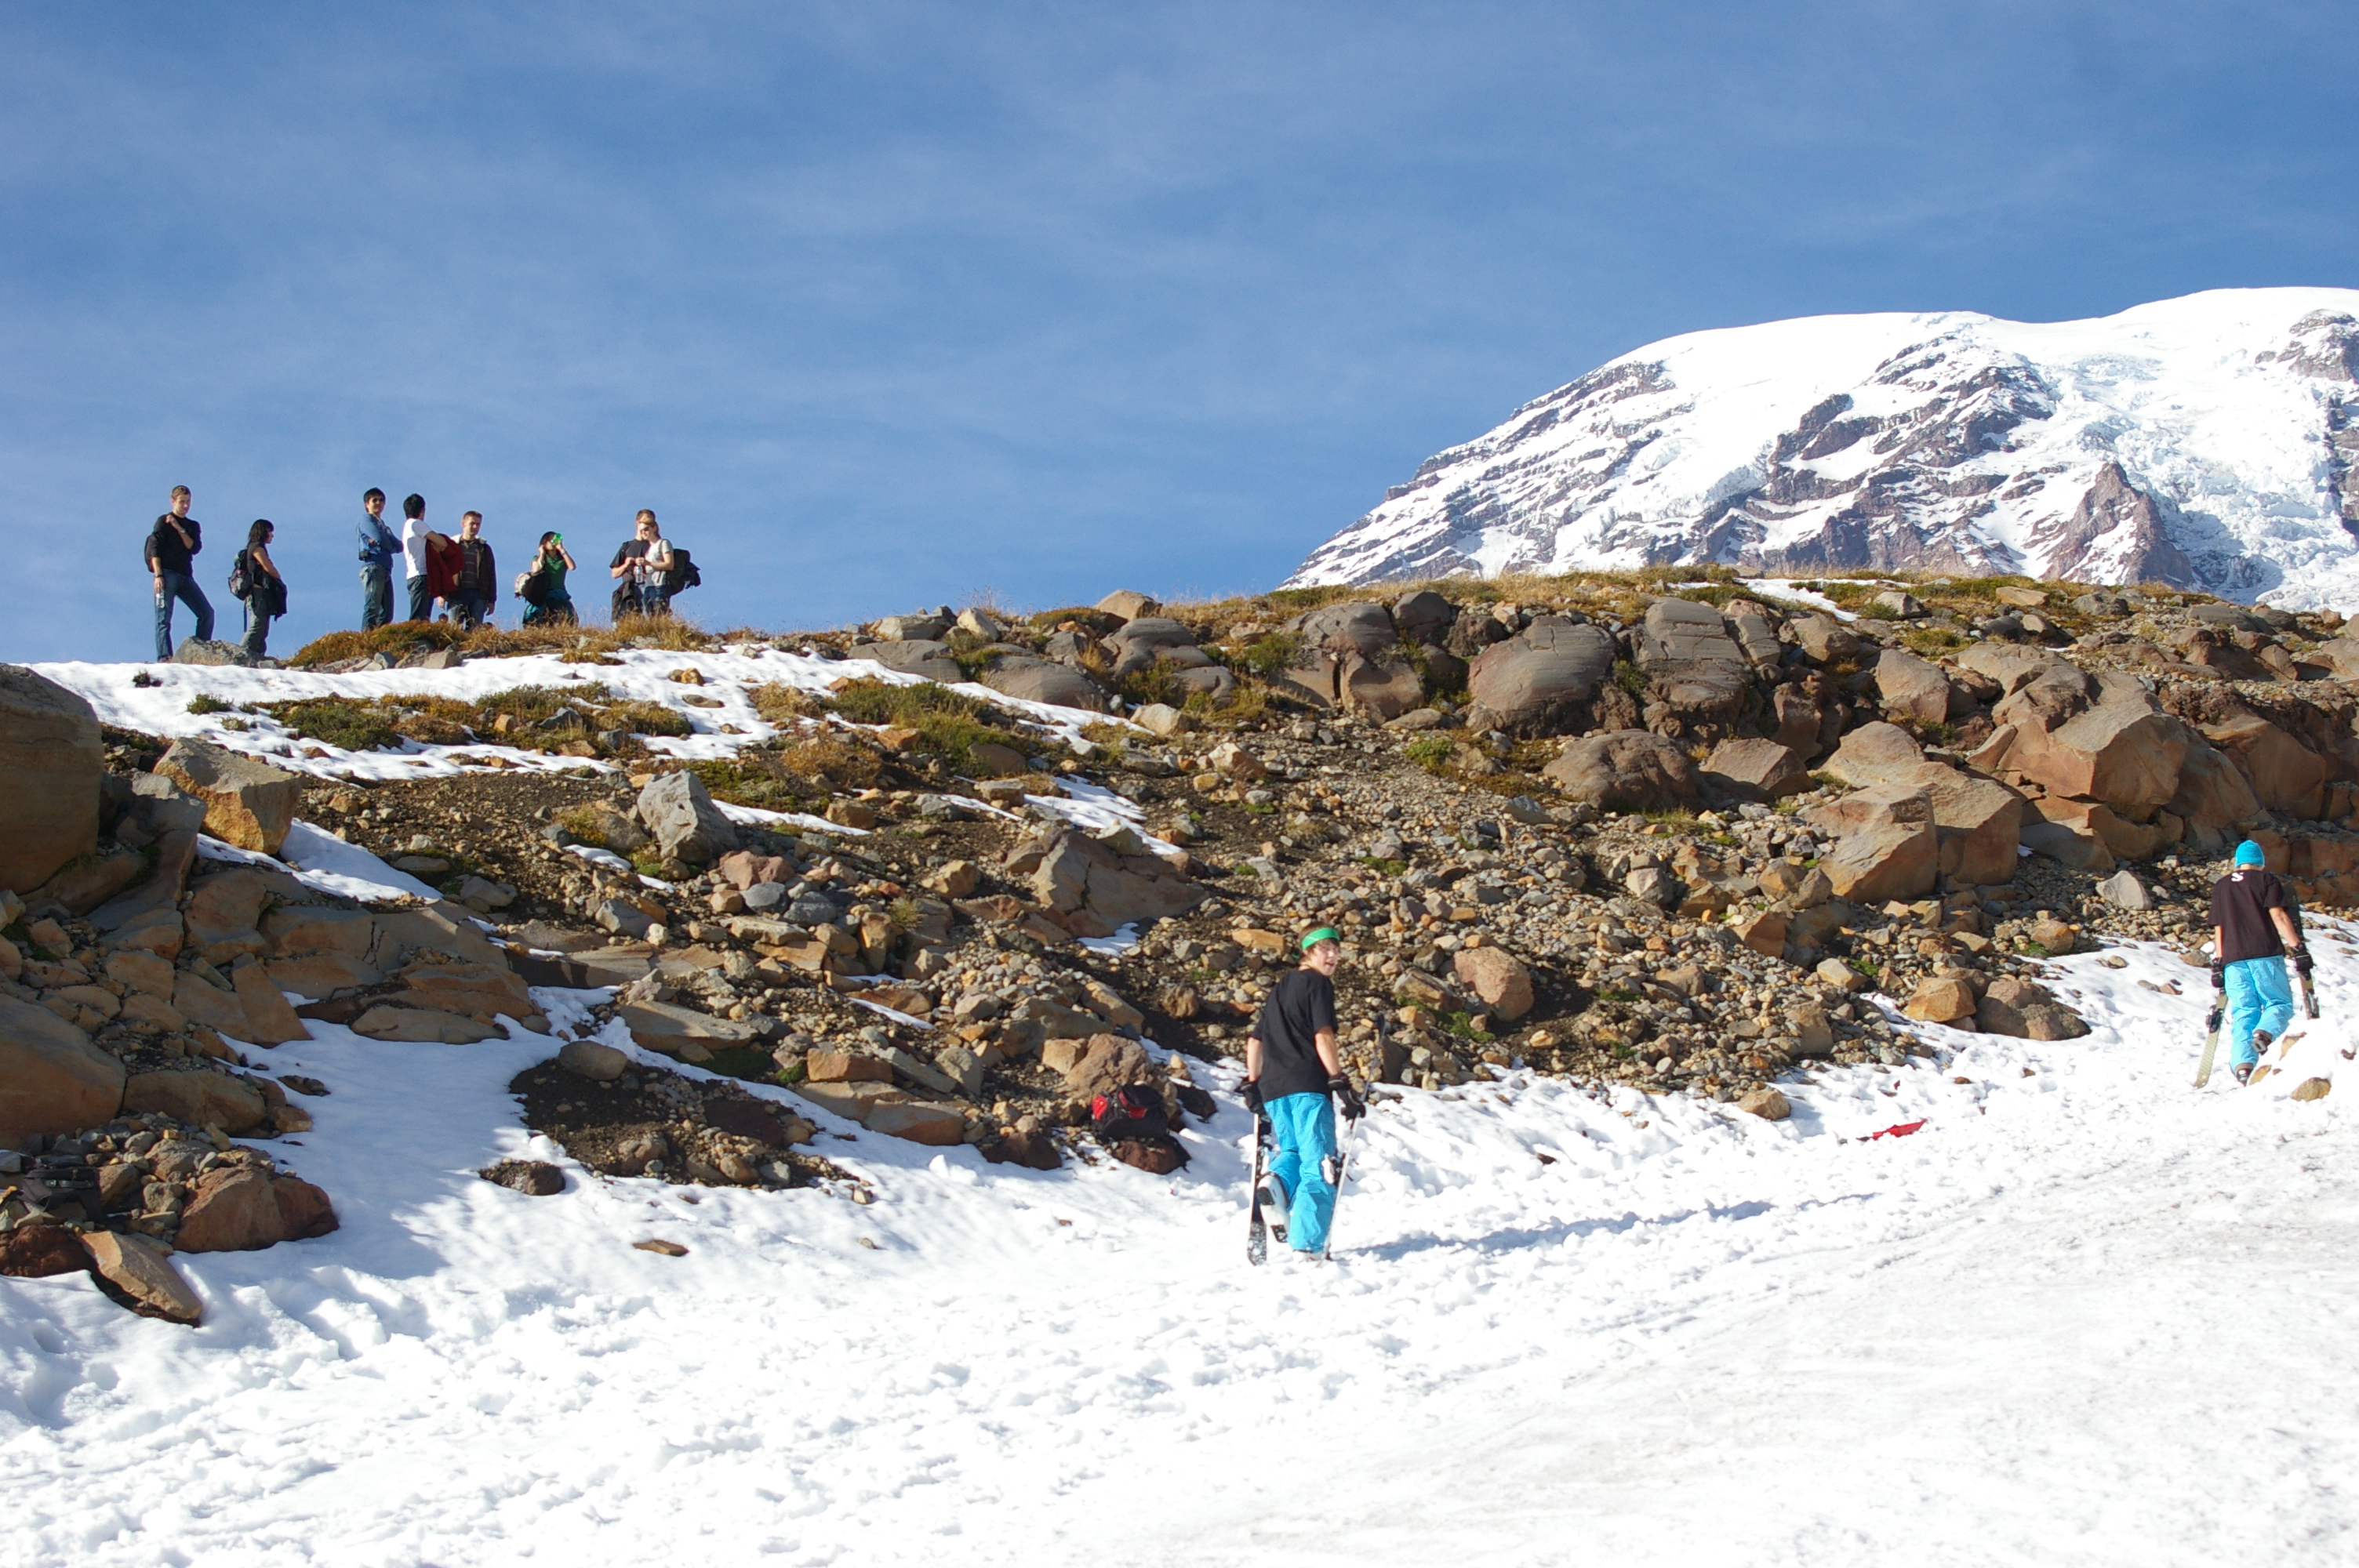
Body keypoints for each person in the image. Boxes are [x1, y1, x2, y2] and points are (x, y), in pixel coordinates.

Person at [1242, 927, 1364, 1258]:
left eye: (1336, 950)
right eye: (1324, 949)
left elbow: (1255, 1041)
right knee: (1319, 1162)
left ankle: (1275, 1183)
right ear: (1307, 952)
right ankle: (1308, 1245)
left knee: (1293, 1151)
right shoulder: (1317, 984)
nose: (1333, 956)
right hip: (1308, 1085)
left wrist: (1252, 1083)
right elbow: (1323, 1035)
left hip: (1274, 1089)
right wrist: (1338, 1080)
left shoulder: (1279, 989)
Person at [2211, 839, 2306, 1086]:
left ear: (2238, 862)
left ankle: (2244, 1066)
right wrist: (2298, 947)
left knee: (2244, 1012)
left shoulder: (2222, 886)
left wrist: (2219, 962)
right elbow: (2278, 915)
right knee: (2279, 1003)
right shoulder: (2267, 881)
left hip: (2232, 960)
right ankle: (2264, 1034)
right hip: (2264, 955)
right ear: (2260, 862)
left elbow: (2219, 928)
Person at [146, 485, 214, 661]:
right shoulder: (163, 521)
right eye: (182, 502)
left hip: (185, 576)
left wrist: (178, 526)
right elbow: (155, 548)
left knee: (207, 613)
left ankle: (199, 654)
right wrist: (158, 575)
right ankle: (165, 658)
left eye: (188, 502)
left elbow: (194, 547)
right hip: (167, 574)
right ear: (173, 501)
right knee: (163, 618)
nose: (185, 506)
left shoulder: (193, 525)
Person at [232, 519, 289, 658]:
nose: (272, 535)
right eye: (270, 532)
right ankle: (240, 655)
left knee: (262, 628)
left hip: (258, 593)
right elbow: (267, 566)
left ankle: (256, 656)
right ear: (263, 532)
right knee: (258, 625)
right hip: (257, 593)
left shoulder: (253, 546)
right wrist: (278, 576)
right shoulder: (257, 547)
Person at [609, 509, 674, 619]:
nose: (646, 525)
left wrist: (646, 566)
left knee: (651, 616)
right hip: (628, 589)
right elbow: (614, 574)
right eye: (645, 521)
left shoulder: (654, 545)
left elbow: (668, 564)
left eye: (650, 522)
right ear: (637, 523)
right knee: (623, 619)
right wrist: (625, 565)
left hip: (649, 585)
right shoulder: (626, 546)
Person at [449, 510, 498, 630]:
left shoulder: (484, 548)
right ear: (463, 524)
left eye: (478, 524)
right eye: (472, 523)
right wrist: (441, 594)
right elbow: (444, 569)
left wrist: (491, 600)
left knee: (475, 630)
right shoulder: (453, 546)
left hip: (478, 594)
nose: (475, 527)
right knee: (454, 629)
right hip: (456, 593)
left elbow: (491, 575)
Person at [358, 488, 398, 630]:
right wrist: (387, 543)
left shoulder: (383, 525)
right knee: (372, 607)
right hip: (373, 567)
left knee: (387, 613)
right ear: (367, 504)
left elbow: (399, 546)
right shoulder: (367, 520)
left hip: (385, 568)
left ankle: (379, 638)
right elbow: (380, 538)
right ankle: (366, 637)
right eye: (374, 500)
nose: (379, 503)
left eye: (381, 500)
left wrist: (385, 542)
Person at [520, 531, 578, 625]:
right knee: (540, 619)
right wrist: (542, 554)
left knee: (566, 619)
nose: (552, 542)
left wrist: (562, 549)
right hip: (544, 594)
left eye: (554, 540)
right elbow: (536, 570)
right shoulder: (538, 558)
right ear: (544, 543)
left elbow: (572, 567)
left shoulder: (562, 560)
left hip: (559, 593)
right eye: (549, 540)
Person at [399, 493, 432, 622]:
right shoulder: (417, 524)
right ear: (422, 510)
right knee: (419, 617)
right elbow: (440, 541)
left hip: (413, 575)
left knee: (420, 615)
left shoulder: (407, 526)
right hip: (421, 575)